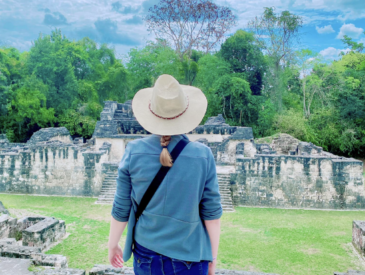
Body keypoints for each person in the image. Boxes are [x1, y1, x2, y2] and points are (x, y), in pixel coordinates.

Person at [107, 74, 223, 275]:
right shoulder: (203, 155)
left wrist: (113, 244)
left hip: (146, 254)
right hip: (191, 255)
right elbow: (211, 214)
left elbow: (121, 208)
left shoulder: (133, 152)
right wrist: (213, 257)